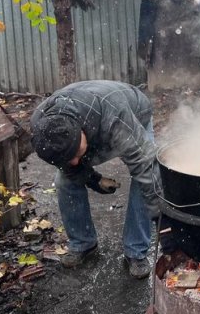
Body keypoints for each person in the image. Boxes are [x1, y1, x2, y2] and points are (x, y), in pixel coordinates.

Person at [30, 80, 160, 279]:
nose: (74, 162)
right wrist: (93, 179)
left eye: (76, 153)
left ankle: (136, 250)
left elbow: (146, 168)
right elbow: (68, 164)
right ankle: (83, 243)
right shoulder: (43, 129)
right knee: (64, 180)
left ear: (81, 132)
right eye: (68, 157)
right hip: (92, 116)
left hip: (133, 113)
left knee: (143, 178)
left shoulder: (115, 119)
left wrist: (164, 227)